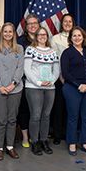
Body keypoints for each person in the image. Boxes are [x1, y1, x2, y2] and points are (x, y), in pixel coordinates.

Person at [0, 23, 24, 161]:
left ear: (14, 33)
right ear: (1, 33)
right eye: (5, 31)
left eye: (10, 31)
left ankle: (10, 146)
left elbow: (20, 68)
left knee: (12, 119)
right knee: (1, 119)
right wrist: (0, 86)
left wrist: (13, 84)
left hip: (15, 89)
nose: (8, 34)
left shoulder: (19, 49)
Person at [61, 27, 86, 156]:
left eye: (79, 35)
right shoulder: (67, 53)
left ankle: (85, 143)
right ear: (70, 38)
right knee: (73, 116)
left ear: (83, 37)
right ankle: (72, 143)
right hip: (72, 88)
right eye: (74, 36)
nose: (77, 38)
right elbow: (65, 73)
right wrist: (78, 85)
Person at [24, 27, 60, 155]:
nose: (42, 36)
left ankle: (44, 140)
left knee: (46, 115)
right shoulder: (30, 50)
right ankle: (34, 141)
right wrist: (39, 82)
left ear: (47, 36)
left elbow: (56, 69)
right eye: (39, 34)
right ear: (36, 36)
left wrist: (52, 81)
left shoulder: (52, 51)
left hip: (50, 88)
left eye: (44, 34)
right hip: (34, 87)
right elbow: (27, 70)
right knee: (36, 115)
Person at [50, 13, 75, 145]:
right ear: (61, 23)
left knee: (71, 107)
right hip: (60, 78)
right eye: (65, 21)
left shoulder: (77, 37)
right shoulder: (55, 39)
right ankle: (57, 134)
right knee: (58, 106)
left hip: (74, 78)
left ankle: (68, 133)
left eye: (70, 21)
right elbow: (54, 59)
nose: (67, 24)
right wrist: (60, 76)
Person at [17, 14, 40, 148]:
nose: (32, 26)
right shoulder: (20, 42)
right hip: (25, 82)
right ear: (26, 27)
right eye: (29, 24)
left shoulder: (43, 39)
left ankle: (35, 136)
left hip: (41, 84)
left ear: (38, 25)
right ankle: (25, 136)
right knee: (25, 110)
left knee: (37, 111)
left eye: (35, 23)